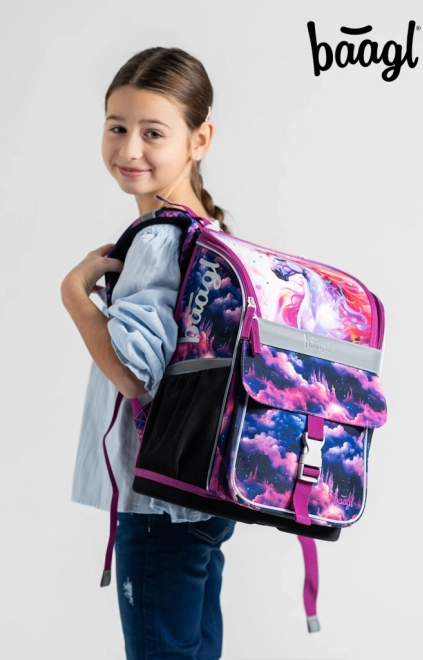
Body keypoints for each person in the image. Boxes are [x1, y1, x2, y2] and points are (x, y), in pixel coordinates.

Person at [61, 46, 236, 660]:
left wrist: (75, 295)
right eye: (117, 127)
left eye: (153, 132)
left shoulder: (159, 238)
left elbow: (135, 376)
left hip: (158, 500)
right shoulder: (210, 228)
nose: (129, 148)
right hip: (207, 494)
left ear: (199, 139)